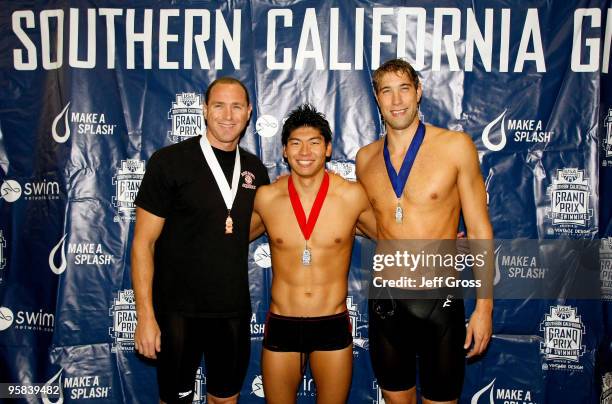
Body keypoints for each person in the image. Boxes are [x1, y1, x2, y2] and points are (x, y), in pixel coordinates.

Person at [356, 59, 494, 404]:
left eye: (404, 88)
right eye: (386, 91)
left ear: (419, 92)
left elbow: (479, 228)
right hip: (386, 301)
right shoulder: (365, 159)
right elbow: (367, 221)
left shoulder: (455, 147)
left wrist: (485, 308)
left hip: (440, 301)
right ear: (377, 98)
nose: (397, 100)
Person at [131, 77, 270, 404]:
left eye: (237, 106)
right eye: (219, 105)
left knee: (226, 398)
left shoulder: (255, 170)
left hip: (232, 311)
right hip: (177, 312)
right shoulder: (169, 162)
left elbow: (250, 227)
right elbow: (142, 244)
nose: (228, 115)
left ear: (249, 113)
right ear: (205, 110)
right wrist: (145, 316)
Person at [250, 104, 376, 404]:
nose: (304, 151)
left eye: (314, 142)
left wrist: (443, 240)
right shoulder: (267, 198)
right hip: (283, 321)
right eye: (295, 142)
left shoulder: (351, 196)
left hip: (331, 321)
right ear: (284, 150)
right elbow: (227, 239)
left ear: (328, 148)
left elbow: (391, 237)